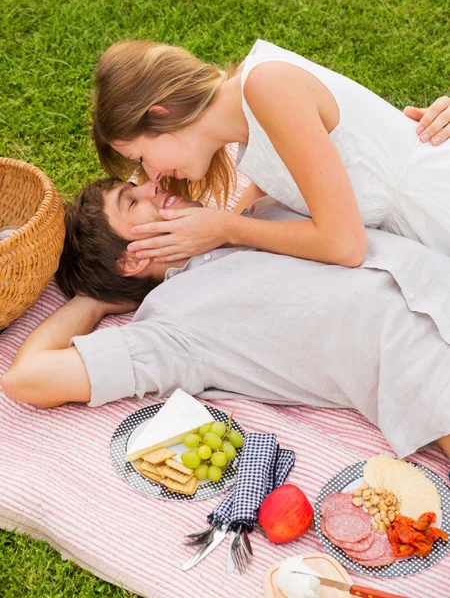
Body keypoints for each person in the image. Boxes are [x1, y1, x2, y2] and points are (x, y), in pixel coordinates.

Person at [2, 179, 450, 461]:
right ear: (132, 260)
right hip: (426, 371)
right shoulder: (171, 329)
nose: (152, 185)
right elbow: (27, 378)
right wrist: (94, 301)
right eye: (133, 201)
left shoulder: (248, 216)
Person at [93, 39, 450, 267]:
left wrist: (228, 229)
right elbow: (260, 207)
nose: (152, 175)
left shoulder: (266, 88)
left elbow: (345, 245)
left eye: (141, 158)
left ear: (161, 114)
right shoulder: (249, 123)